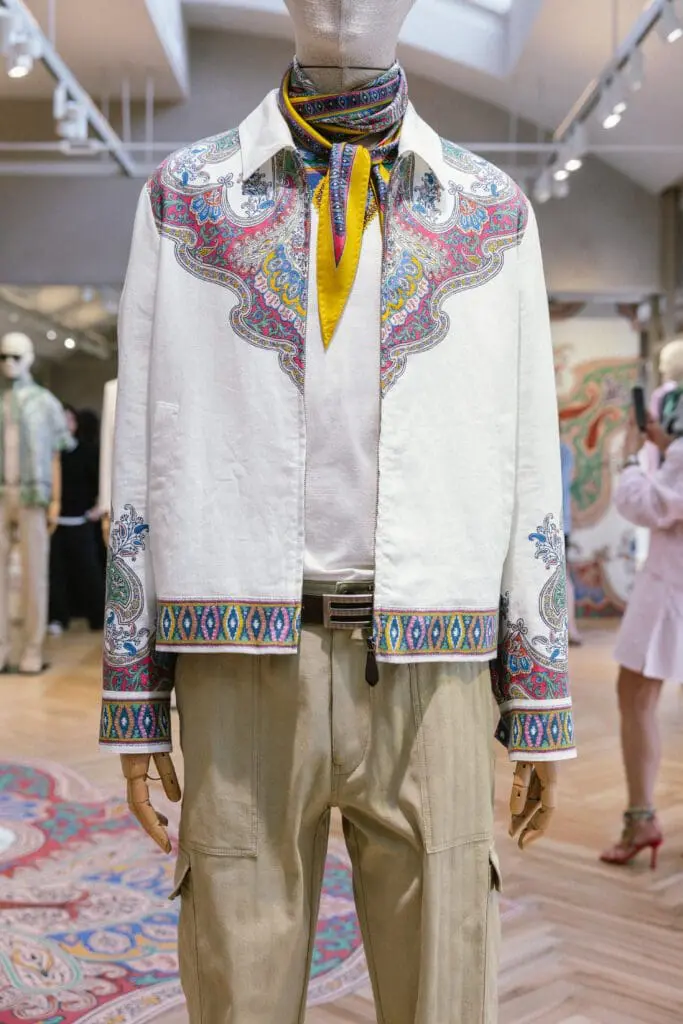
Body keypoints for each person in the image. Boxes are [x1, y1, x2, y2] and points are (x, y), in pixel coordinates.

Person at [601, 388, 683, 868]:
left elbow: (649, 504)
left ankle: (641, 818)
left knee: (635, 695)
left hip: (670, 584)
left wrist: (631, 457)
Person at [48, 406, 104, 634]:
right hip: (55, 523)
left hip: (81, 522)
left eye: (69, 418)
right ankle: (57, 618)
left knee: (90, 571)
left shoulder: (87, 451)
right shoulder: (51, 454)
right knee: (55, 574)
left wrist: (98, 508)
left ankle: (99, 617)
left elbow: (99, 481)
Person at [560, 437, 582, 645]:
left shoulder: (563, 451)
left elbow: (561, 482)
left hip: (559, 522)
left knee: (563, 575)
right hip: (558, 521)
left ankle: (570, 629)